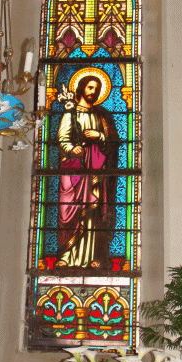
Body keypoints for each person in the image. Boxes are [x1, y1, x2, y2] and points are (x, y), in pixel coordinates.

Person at [56, 74, 119, 268]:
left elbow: (114, 142)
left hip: (96, 170)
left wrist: (99, 135)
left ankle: (95, 257)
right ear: (82, 88)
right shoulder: (71, 113)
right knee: (70, 213)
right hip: (75, 170)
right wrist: (71, 149)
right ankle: (67, 257)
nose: (94, 92)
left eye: (97, 89)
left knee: (94, 212)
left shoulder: (103, 116)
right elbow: (62, 138)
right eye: (90, 87)